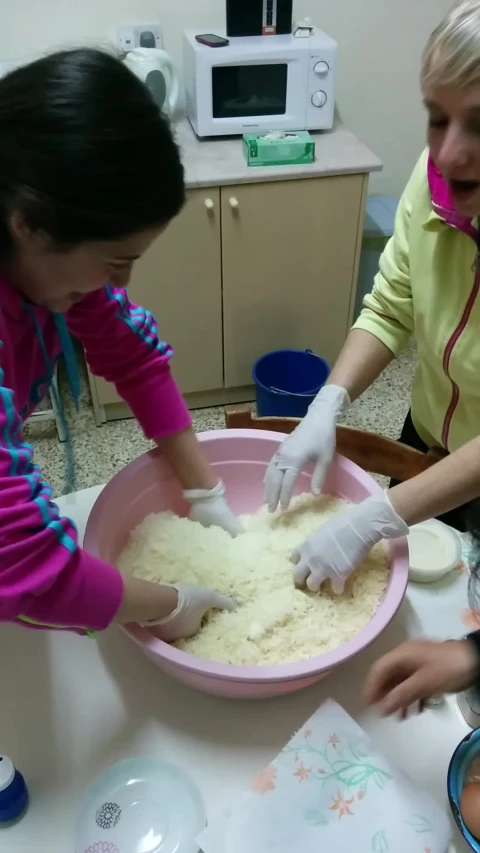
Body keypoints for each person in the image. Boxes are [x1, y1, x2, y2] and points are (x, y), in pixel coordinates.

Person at [0, 48, 243, 642]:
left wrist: (204, 490)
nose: (121, 283)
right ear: (27, 222)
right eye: (115, 261)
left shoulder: (45, 259)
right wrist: (171, 602)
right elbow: (27, 570)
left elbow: (130, 352)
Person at [264, 0, 480, 598]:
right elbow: (389, 307)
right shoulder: (432, 178)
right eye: (437, 118)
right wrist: (327, 404)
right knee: (403, 579)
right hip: (430, 427)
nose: (449, 153)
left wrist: (373, 517)